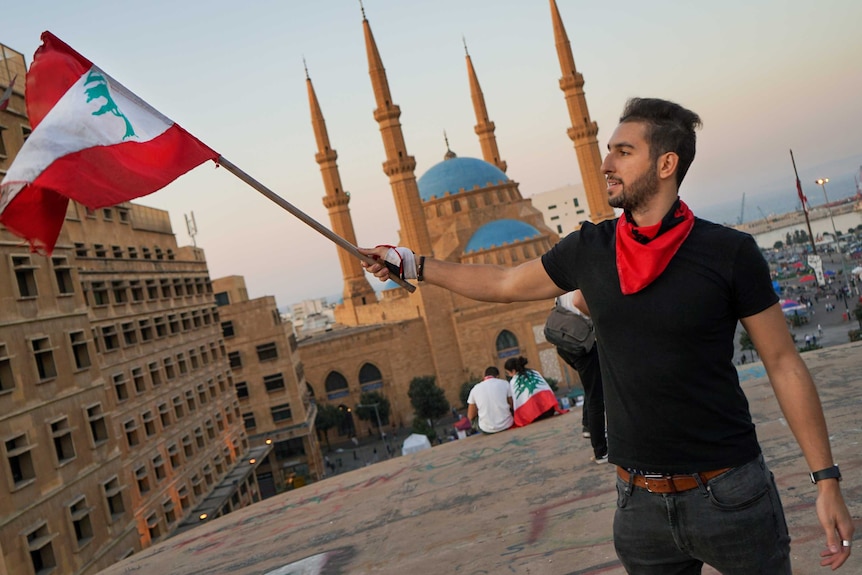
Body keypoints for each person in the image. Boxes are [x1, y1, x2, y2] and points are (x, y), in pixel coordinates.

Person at [359, 97, 853, 572]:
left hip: (730, 492)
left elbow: (784, 363)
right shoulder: (591, 250)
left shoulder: (729, 252)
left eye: (623, 151)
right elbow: (505, 282)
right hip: (639, 504)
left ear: (666, 164)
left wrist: (826, 479)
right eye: (608, 148)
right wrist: (413, 263)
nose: (605, 163)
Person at [555, 290, 608, 464]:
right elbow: (578, 301)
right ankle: (601, 451)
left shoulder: (562, 283)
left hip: (564, 344)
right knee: (595, 394)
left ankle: (588, 425)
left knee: (592, 384)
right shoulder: (580, 277)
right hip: (582, 342)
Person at [504, 356, 565, 427]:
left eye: (508, 373)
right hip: (549, 410)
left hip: (534, 417)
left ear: (513, 371)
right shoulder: (534, 372)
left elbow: (516, 402)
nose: (508, 375)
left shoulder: (514, 381)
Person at [466, 366, 514, 434]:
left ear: (484, 376)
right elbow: (512, 405)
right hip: (507, 424)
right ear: (497, 376)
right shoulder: (505, 383)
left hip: (487, 429)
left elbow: (470, 416)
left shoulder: (475, 389)